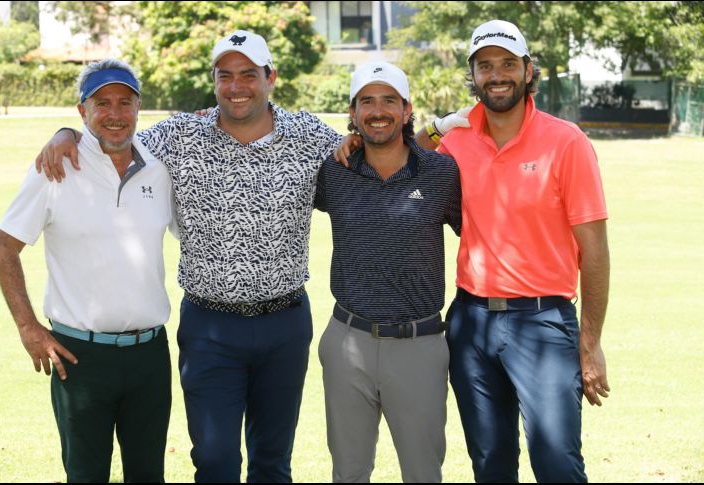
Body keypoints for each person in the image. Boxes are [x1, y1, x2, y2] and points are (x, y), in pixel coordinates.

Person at [34, 30, 343, 483]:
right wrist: (66, 132)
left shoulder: (308, 135)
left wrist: (439, 129)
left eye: (248, 75)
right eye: (225, 76)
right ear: (214, 82)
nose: (236, 86)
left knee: (273, 462)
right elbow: (112, 135)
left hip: (286, 323)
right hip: (210, 328)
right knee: (215, 460)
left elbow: (373, 154)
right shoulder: (178, 136)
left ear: (270, 78)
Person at [337, 19, 611, 484]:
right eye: (485, 66)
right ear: (474, 75)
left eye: (508, 64)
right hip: (470, 322)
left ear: (528, 71)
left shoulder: (567, 142)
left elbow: (596, 252)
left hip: (542, 322)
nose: (497, 74)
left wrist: (590, 345)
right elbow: (402, 146)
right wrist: (362, 138)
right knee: (489, 461)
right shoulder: (457, 140)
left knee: (557, 461)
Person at [0, 59, 176, 482]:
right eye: (102, 103)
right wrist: (27, 327)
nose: (115, 114)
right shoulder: (55, 167)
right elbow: (3, 249)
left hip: (150, 354)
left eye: (124, 103)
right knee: (86, 475)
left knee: (149, 475)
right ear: (82, 111)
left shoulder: (159, 169)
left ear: (138, 107)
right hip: (80, 358)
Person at [315, 61, 461, 482]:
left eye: (389, 101)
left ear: (406, 108)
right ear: (354, 111)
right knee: (348, 472)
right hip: (347, 342)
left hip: (419, 345)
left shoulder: (441, 173)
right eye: (367, 102)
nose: (378, 110)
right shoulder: (334, 171)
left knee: (422, 473)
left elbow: (477, 232)